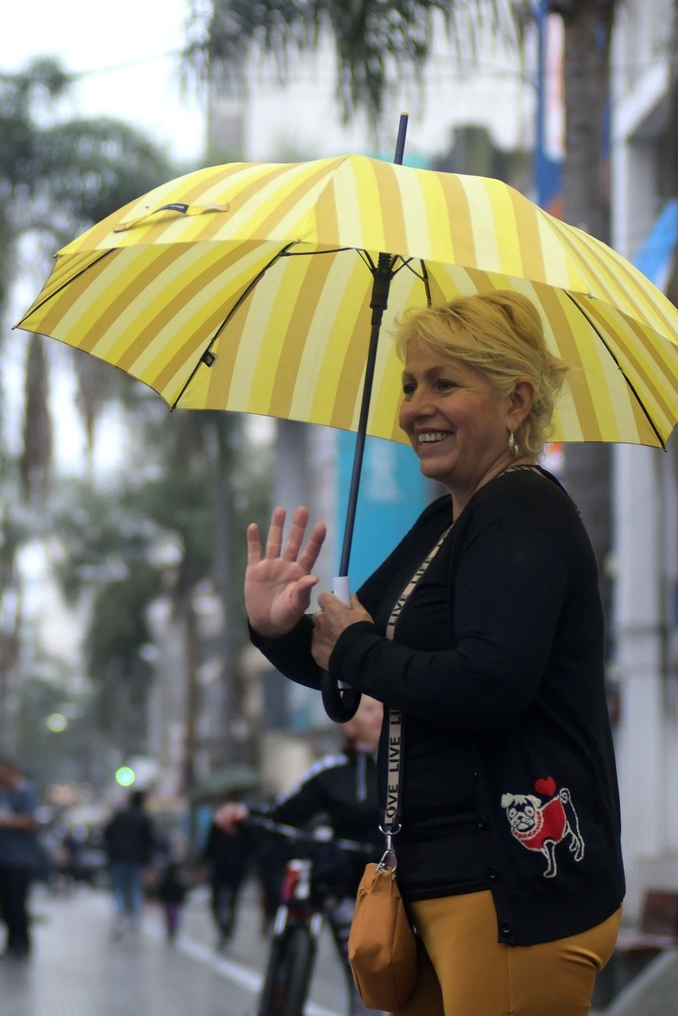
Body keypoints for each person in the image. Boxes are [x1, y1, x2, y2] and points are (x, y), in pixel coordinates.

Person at [245, 290, 626, 1016]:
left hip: (514, 887)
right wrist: (278, 626)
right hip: (438, 886)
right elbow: (346, 659)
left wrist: (353, 645)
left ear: (516, 401)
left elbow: (487, 684)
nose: (413, 406)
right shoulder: (446, 522)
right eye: (409, 383)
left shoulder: (522, 508)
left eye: (444, 383)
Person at [216, 694, 386, 1016]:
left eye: (383, 708)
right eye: (369, 709)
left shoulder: (412, 766)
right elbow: (284, 813)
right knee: (364, 970)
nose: (379, 716)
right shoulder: (330, 772)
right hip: (352, 885)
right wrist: (244, 814)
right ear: (348, 722)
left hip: (409, 879)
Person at [0, 758, 39, 960]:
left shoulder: (26, 792)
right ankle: (10, 943)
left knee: (18, 903)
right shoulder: (4, 794)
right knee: (5, 903)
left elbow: (29, 821)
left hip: (19, 859)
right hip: (2, 857)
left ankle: (21, 944)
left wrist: (2, 821)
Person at [102, 790, 155, 938]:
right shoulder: (144, 818)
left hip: (118, 858)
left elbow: (107, 834)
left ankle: (121, 915)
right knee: (134, 888)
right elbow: (150, 841)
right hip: (136, 860)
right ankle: (135, 919)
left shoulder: (120, 816)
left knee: (119, 888)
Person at [202, 808, 256, 952]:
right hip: (219, 870)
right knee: (215, 903)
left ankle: (228, 934)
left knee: (232, 903)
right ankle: (223, 930)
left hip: (236, 871)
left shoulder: (243, 828)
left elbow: (250, 848)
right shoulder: (216, 827)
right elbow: (209, 848)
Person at [155, 848, 190, 945]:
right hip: (173, 902)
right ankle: (172, 929)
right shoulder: (178, 881)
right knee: (173, 916)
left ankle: (171, 930)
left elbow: (161, 890)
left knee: (170, 916)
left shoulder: (167, 881)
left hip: (170, 902)